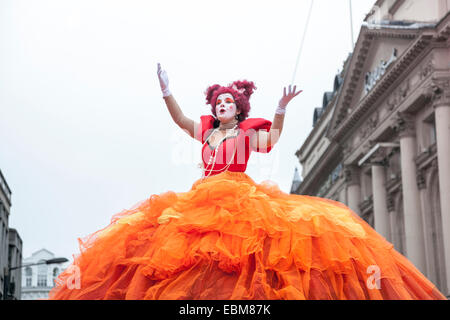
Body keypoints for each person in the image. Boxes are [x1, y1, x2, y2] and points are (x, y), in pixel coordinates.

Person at [48, 63, 446, 300]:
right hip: (202, 198)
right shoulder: (204, 131)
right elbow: (180, 119)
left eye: (228, 103)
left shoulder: (245, 133)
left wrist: (280, 110)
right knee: (186, 258)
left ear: (237, 109)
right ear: (213, 109)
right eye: (217, 102)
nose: (222, 106)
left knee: (253, 256)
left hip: (240, 196)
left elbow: (271, 140)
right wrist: (167, 92)